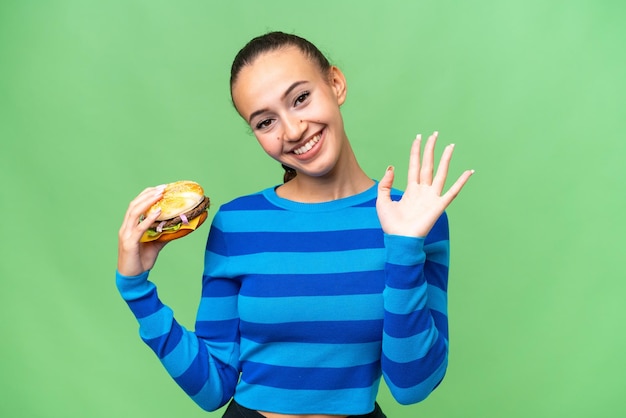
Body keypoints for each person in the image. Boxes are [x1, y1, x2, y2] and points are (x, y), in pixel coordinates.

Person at [116, 31, 473, 418]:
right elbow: (213, 387)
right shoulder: (237, 225)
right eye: (266, 122)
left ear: (335, 84)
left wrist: (403, 248)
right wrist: (136, 290)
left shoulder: (416, 217)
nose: (293, 130)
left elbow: (412, 386)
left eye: (301, 98)